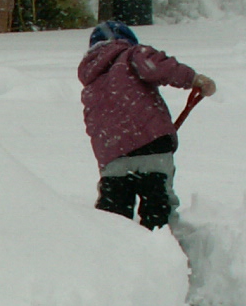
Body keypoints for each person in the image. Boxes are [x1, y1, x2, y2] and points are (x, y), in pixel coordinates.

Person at [79, 21, 217, 230]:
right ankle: (165, 251)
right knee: (158, 210)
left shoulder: (90, 83)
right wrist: (194, 79)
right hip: (152, 147)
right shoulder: (131, 55)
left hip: (114, 158)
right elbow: (158, 66)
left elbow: (93, 126)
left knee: (113, 221)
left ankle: (115, 256)